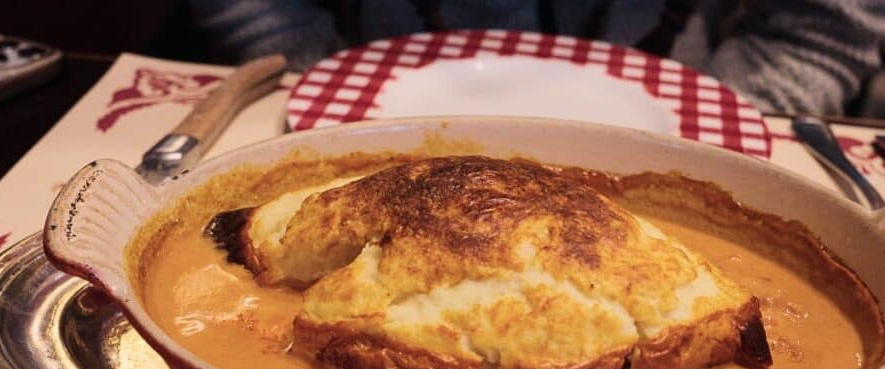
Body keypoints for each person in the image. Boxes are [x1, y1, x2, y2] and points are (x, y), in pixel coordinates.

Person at [184, 0, 885, 116]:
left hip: (680, 110)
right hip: (367, 99)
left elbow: (818, 28)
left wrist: (716, 124)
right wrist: (328, 72)